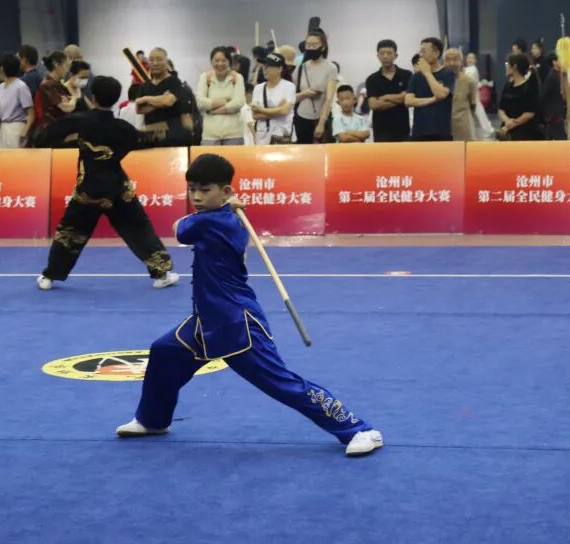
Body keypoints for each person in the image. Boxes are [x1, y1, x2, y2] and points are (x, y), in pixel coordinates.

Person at [115, 153, 383, 457]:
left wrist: (225, 207)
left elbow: (178, 228)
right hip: (206, 320)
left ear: (226, 191)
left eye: (206, 190)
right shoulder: (227, 217)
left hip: (235, 324)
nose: (197, 197)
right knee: (165, 352)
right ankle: (153, 420)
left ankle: (359, 429)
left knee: (281, 383)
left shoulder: (212, 222)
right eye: (192, 190)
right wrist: (227, 204)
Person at [33, 76, 183, 292]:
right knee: (139, 229)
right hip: (118, 189)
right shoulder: (123, 128)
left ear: (93, 97)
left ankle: (50, 276)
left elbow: (44, 135)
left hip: (88, 190)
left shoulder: (79, 121)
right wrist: (181, 131)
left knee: (70, 232)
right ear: (115, 99)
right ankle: (163, 274)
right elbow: (149, 138)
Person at [135, 48, 195, 145]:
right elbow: (139, 108)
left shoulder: (174, 81)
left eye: (159, 59)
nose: (155, 63)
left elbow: (168, 102)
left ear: (166, 62)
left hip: (173, 137)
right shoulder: (145, 85)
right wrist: (161, 100)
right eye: (151, 60)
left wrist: (146, 99)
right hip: (151, 137)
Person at [291, 30, 338, 143]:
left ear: (323, 47)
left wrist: (321, 123)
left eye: (314, 45)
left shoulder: (330, 68)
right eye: (308, 45)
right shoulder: (300, 68)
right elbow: (291, 97)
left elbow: (329, 98)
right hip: (301, 117)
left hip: (321, 117)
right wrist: (304, 94)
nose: (311, 48)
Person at [405, 37, 453, 141]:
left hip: (441, 132)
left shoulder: (448, 73)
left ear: (436, 53)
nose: (421, 55)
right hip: (419, 132)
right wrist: (433, 99)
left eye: (424, 51)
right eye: (420, 51)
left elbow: (441, 94)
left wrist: (427, 73)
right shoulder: (416, 76)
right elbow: (408, 101)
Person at [196, 47, 246, 145]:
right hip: (210, 136)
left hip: (234, 134)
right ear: (211, 62)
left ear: (229, 62)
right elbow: (200, 102)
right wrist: (225, 101)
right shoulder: (205, 77)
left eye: (224, 60)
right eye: (216, 61)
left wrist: (214, 110)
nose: (220, 64)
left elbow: (238, 103)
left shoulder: (237, 77)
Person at [365, 39, 412, 143]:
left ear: (396, 55)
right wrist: (400, 99)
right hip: (381, 131)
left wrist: (386, 97)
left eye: (389, 53)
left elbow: (409, 98)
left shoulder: (407, 75)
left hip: (403, 130)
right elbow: (374, 105)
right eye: (382, 53)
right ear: (378, 56)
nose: (385, 56)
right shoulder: (372, 79)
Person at [249, 52, 295, 145]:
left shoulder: (289, 86)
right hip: (262, 138)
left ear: (280, 69)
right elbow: (255, 115)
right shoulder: (258, 88)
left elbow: (284, 111)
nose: (265, 69)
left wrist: (260, 109)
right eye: (264, 66)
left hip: (281, 137)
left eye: (268, 67)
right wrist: (277, 110)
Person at [0, 54, 35, 148]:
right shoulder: (0, 87)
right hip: (1, 129)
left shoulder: (21, 86)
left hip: (16, 129)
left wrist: (24, 132)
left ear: (1, 69)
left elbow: (31, 114)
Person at [32, 51, 76, 140]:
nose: (67, 70)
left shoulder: (57, 84)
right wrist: (74, 98)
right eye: (66, 65)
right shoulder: (47, 85)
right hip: (51, 132)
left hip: (60, 129)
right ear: (56, 65)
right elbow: (66, 107)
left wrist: (70, 102)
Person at [498, 54, 542, 141]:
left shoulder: (529, 87)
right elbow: (501, 109)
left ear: (515, 66)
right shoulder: (508, 86)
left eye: (507, 64)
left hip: (525, 132)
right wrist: (507, 121)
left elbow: (530, 113)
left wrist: (513, 123)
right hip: (506, 129)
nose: (506, 66)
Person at [443, 48, 477, 142]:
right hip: (443, 128)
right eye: (448, 59)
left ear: (461, 62)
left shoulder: (469, 81)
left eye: (455, 59)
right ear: (444, 62)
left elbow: (473, 105)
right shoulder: (438, 80)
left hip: (463, 128)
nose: (451, 63)